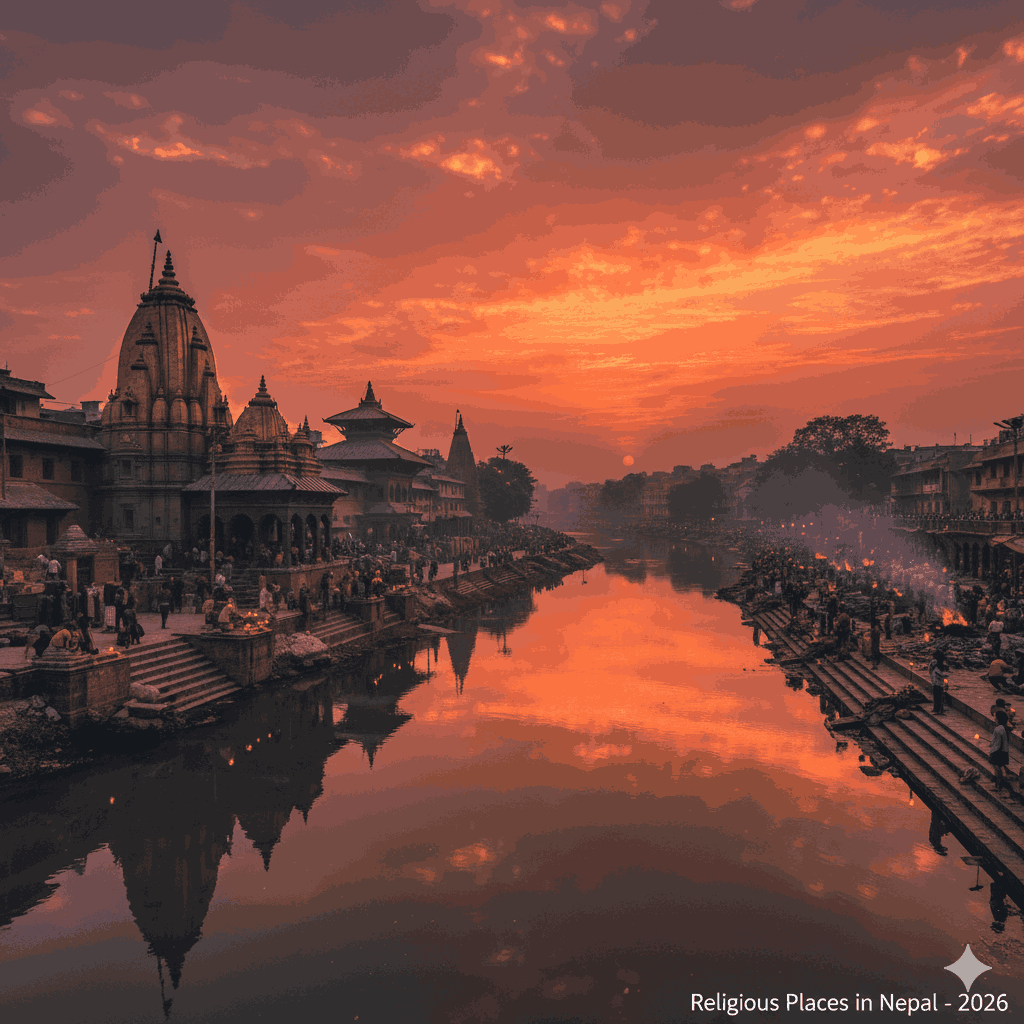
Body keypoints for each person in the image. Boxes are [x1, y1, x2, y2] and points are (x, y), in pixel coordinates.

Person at [990, 710, 1012, 794]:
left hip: (998, 751)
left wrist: (992, 749)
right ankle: (998, 784)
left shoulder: (999, 729)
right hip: (1003, 751)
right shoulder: (1004, 728)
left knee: (997, 768)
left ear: (999, 720)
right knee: (998, 768)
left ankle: (998, 784)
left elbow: (998, 742)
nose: (994, 721)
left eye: (995, 719)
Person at [929, 650, 948, 715]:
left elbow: (944, 674)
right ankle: (936, 708)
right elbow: (932, 670)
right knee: (937, 696)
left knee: (939, 696)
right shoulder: (934, 663)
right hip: (936, 682)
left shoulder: (941, 665)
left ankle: (938, 709)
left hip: (939, 683)